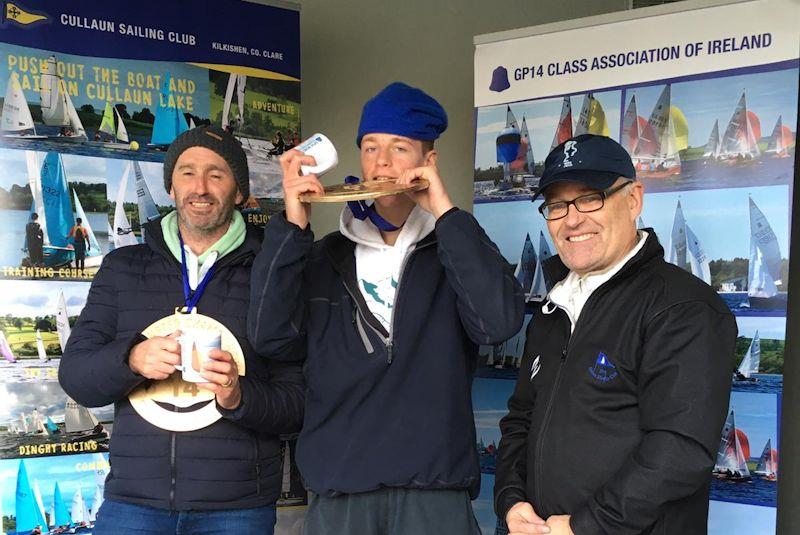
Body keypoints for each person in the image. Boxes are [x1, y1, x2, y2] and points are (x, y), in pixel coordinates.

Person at [249, 82, 525, 535]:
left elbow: (497, 324)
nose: (382, 161)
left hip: (436, 490)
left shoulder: (453, 249)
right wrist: (293, 222)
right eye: (371, 146)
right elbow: (269, 335)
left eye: (400, 147)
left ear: (428, 162)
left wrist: (443, 210)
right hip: (340, 492)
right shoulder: (320, 256)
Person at [59, 125, 304, 535]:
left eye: (217, 174)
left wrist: (239, 394)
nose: (200, 187)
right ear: (170, 187)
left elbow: (297, 404)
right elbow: (77, 378)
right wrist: (131, 358)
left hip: (237, 509)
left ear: (240, 192)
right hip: (133, 504)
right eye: (187, 172)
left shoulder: (274, 271)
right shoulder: (122, 268)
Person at [494, 134, 736, 535]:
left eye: (591, 198)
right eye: (556, 205)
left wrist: (586, 527)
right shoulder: (553, 308)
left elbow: (680, 449)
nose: (572, 219)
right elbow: (520, 419)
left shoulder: (684, 308)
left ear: (634, 199)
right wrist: (511, 501)